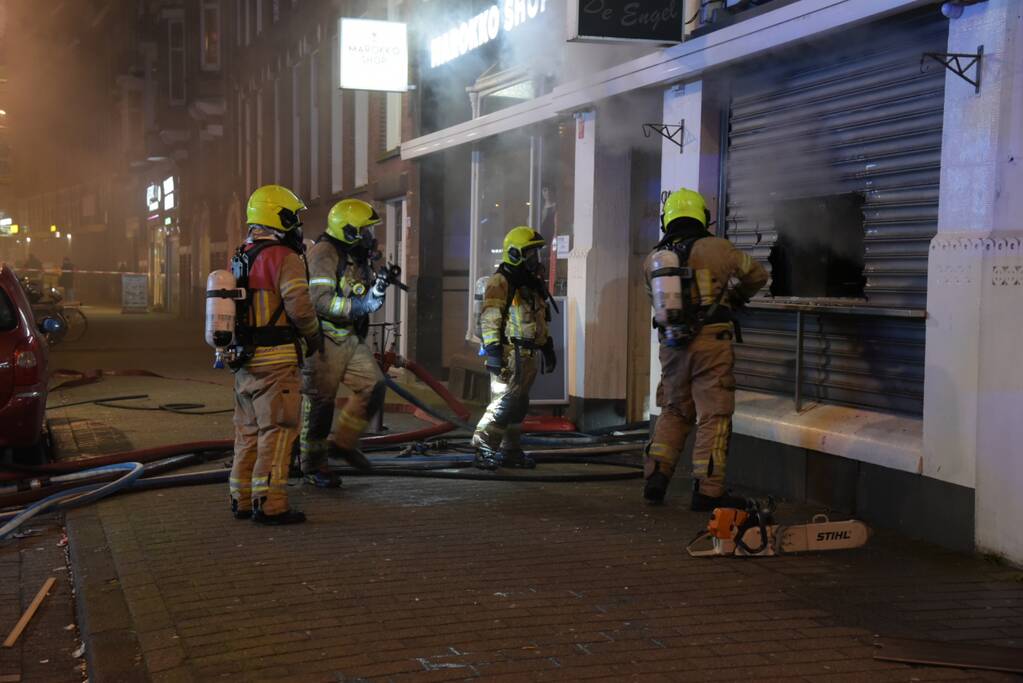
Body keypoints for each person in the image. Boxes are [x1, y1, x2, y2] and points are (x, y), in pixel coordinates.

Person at [643, 188, 768, 510]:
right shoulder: (719, 248)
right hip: (712, 342)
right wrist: (736, 298)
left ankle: (656, 476)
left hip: (671, 345)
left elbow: (655, 302)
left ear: (666, 218)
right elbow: (758, 274)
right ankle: (708, 491)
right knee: (714, 413)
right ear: (703, 216)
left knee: (673, 409)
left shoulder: (653, 260)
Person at [228, 184, 322, 525]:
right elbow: (299, 307)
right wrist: (313, 336)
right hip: (277, 359)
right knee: (279, 430)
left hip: (244, 361)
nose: (297, 225)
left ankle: (240, 498)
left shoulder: (241, 255)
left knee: (248, 431)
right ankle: (271, 503)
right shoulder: (285, 258)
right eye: (293, 217)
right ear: (277, 216)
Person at [299, 198, 393, 487]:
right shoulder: (324, 253)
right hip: (323, 340)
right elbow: (320, 301)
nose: (369, 237)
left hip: (349, 338)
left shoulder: (354, 254)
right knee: (320, 404)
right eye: (364, 231)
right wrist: (360, 306)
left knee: (374, 386)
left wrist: (375, 288)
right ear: (348, 231)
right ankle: (313, 466)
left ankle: (344, 444)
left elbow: (359, 292)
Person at [472, 226, 558, 470]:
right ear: (515, 254)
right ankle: (482, 448)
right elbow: (490, 318)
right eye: (530, 254)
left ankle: (510, 450)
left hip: (527, 356)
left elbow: (538, 320)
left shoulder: (529, 284)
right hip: (511, 355)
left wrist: (547, 347)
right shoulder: (501, 281)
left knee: (519, 406)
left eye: (536, 254)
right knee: (503, 404)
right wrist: (494, 354)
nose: (535, 260)